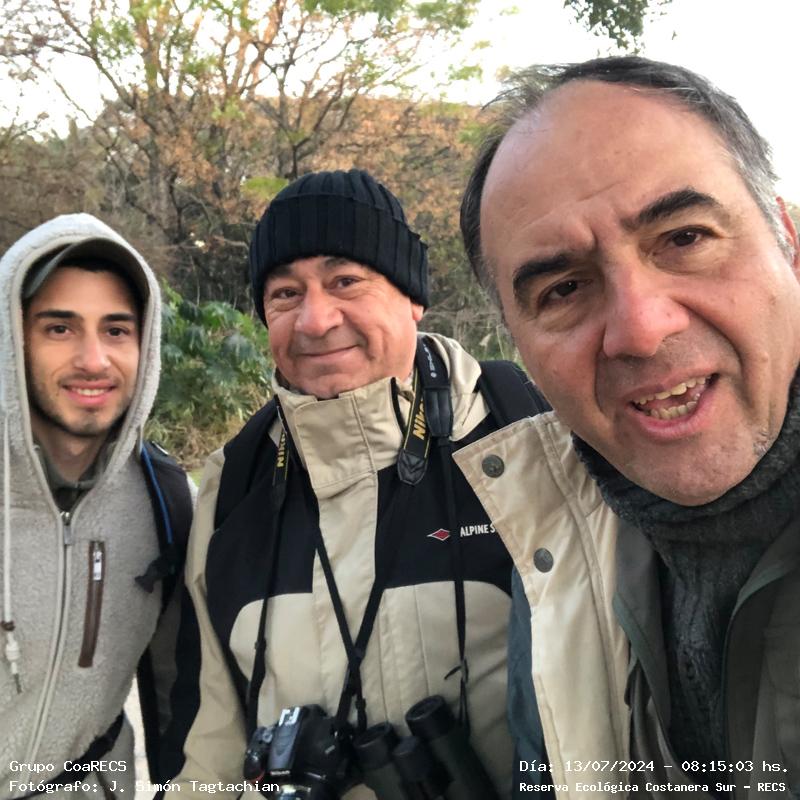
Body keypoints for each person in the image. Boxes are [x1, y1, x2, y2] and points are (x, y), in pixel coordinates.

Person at [454, 55, 800, 799]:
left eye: (685, 238)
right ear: (518, 344)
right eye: (564, 289)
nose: (641, 329)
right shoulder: (552, 556)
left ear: (789, 241)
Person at [164, 169, 543, 799]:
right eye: (285, 293)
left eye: (345, 281)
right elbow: (206, 747)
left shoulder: (523, 433)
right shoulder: (234, 485)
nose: (315, 320)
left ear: (412, 296)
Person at [0, 213, 192, 799]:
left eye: (116, 330)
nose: (93, 360)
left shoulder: (165, 497)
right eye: (60, 328)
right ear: (12, 338)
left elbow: (177, 691)